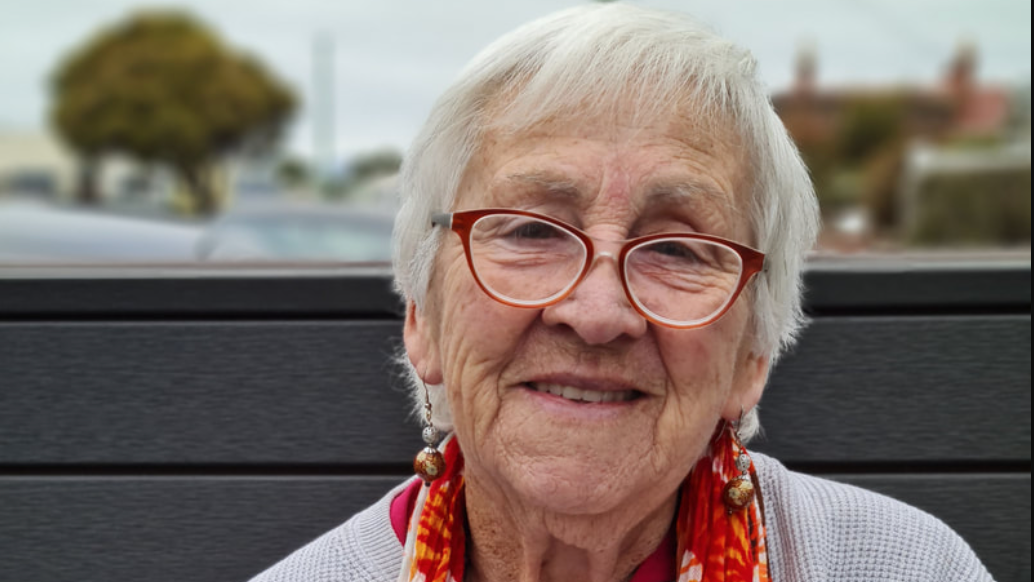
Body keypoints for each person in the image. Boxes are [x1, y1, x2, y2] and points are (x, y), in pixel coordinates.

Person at [251, 5, 993, 581]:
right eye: (531, 231)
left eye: (675, 249)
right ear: (423, 315)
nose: (598, 314)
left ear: (753, 355)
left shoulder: (908, 567)